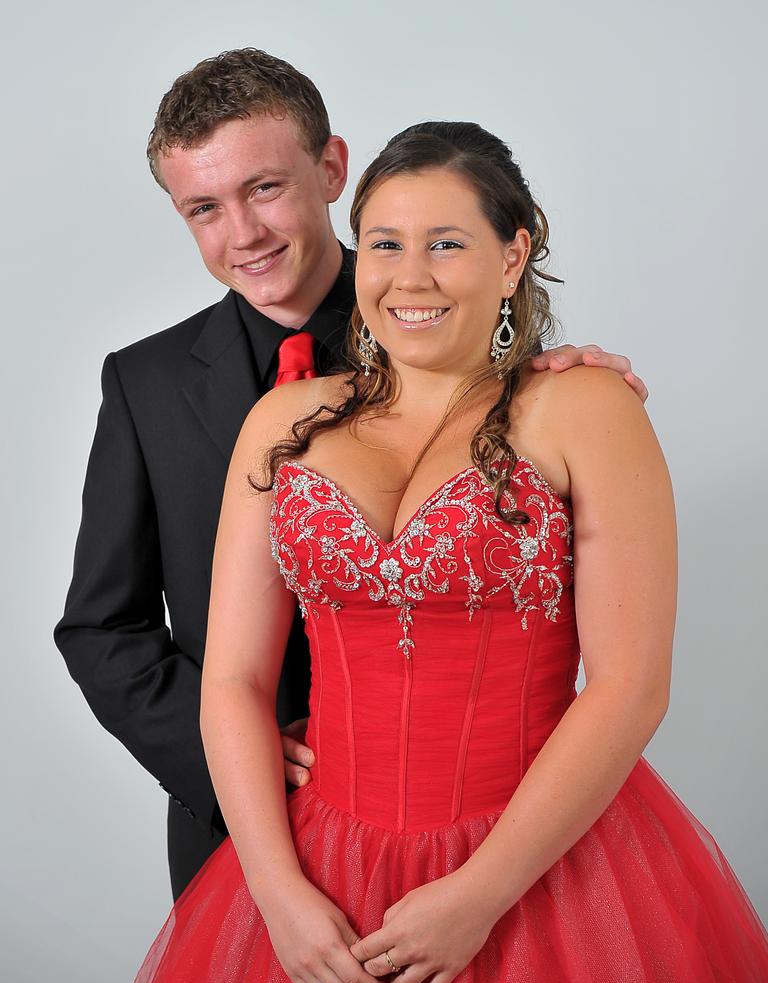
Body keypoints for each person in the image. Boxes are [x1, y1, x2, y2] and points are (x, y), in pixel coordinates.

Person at [113, 121, 768, 983]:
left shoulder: (583, 407)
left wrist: (478, 896)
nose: (409, 275)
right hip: (317, 871)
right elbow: (231, 677)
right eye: (384, 243)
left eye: (446, 243)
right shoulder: (282, 424)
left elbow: (628, 687)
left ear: (514, 255)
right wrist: (276, 892)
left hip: (538, 864)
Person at [53, 49, 647, 902]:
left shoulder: (458, 336)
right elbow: (102, 626)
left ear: (332, 168)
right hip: (242, 829)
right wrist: (244, 762)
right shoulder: (143, 384)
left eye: (264, 189)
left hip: (488, 832)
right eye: (203, 210)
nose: (244, 235)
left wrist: (556, 376)